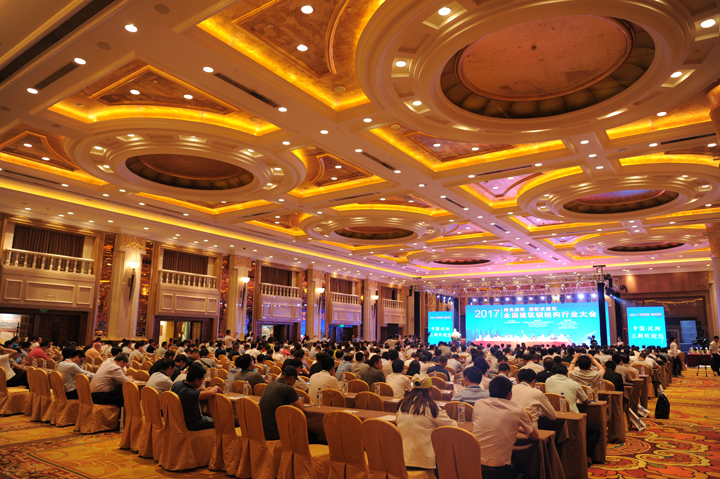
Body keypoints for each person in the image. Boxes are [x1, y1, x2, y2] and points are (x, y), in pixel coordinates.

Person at [472, 376, 537, 479]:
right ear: (509, 395)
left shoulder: (478, 404)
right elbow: (535, 436)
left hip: (474, 465)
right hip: (499, 470)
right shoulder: (517, 410)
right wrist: (521, 429)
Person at [396, 375, 456, 472]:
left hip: (400, 459)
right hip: (423, 462)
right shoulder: (432, 408)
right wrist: (445, 415)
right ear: (429, 390)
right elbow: (453, 427)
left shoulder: (402, 405)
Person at [545, 364, 601, 461]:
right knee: (595, 432)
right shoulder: (574, 384)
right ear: (567, 374)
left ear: (553, 373)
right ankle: (585, 456)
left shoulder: (548, 381)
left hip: (553, 417)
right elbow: (586, 400)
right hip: (572, 418)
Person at [258, 366, 304, 440]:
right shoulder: (288, 388)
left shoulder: (270, 384)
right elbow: (301, 408)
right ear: (292, 378)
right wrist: (300, 401)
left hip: (261, 430)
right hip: (275, 432)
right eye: (295, 380)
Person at [171, 363, 219, 430]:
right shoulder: (189, 393)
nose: (202, 382)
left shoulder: (178, 384)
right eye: (202, 380)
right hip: (193, 423)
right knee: (221, 421)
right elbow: (211, 393)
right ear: (196, 380)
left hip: (178, 420)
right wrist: (217, 386)